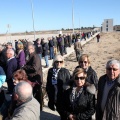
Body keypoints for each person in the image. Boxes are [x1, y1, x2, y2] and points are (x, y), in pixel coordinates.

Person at [46, 55, 71, 119]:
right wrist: (48, 93)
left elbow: (69, 83)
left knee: (64, 114)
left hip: (62, 96)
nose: (59, 63)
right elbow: (48, 83)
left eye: (60, 62)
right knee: (59, 111)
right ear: (54, 62)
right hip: (54, 96)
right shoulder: (51, 71)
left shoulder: (65, 71)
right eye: (57, 62)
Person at [23, 44, 43, 110]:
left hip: (36, 79)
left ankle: (38, 108)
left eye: (28, 49)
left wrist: (25, 67)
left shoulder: (35, 57)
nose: (27, 50)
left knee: (37, 94)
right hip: (32, 78)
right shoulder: (31, 56)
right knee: (33, 94)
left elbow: (35, 68)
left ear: (32, 49)